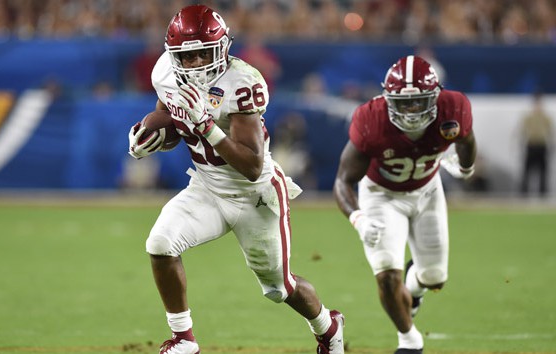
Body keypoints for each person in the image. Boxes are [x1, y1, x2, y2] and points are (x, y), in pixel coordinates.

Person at [127, 5, 344, 354]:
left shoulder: (243, 82)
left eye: (203, 53)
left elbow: (252, 165)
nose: (196, 62)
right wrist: (149, 138)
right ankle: (184, 339)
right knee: (160, 244)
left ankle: (328, 327)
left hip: (254, 194)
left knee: (279, 288)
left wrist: (208, 126)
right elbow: (170, 118)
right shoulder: (166, 72)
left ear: (223, 48)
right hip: (207, 186)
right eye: (187, 55)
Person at [333, 55, 477, 354]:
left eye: (419, 102)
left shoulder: (453, 108)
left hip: (427, 191)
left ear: (435, 97)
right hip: (382, 195)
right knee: (386, 274)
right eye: (403, 103)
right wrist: (358, 218)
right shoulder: (371, 119)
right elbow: (343, 180)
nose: (411, 111)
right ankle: (410, 340)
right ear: (387, 99)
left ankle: (414, 288)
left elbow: (466, 139)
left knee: (434, 277)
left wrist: (465, 168)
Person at [519, 91, 554, 197]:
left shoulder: (546, 118)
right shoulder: (528, 117)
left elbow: (550, 133)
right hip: (531, 145)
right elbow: (523, 132)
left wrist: (552, 146)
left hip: (542, 146)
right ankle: (523, 194)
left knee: (543, 172)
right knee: (527, 171)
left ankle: (543, 194)